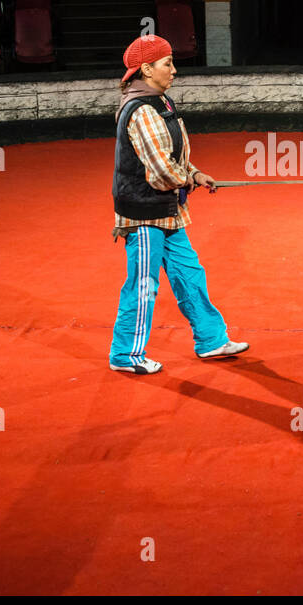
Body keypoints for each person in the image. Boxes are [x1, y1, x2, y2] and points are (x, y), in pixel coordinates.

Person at [109, 34, 249, 374]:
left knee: (189, 274)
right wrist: (185, 179)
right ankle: (125, 355)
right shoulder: (141, 109)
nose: (174, 70)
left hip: (166, 209)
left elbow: (175, 154)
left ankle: (211, 340)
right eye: (167, 63)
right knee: (143, 284)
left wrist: (195, 173)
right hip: (143, 212)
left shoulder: (163, 102)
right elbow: (159, 170)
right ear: (146, 69)